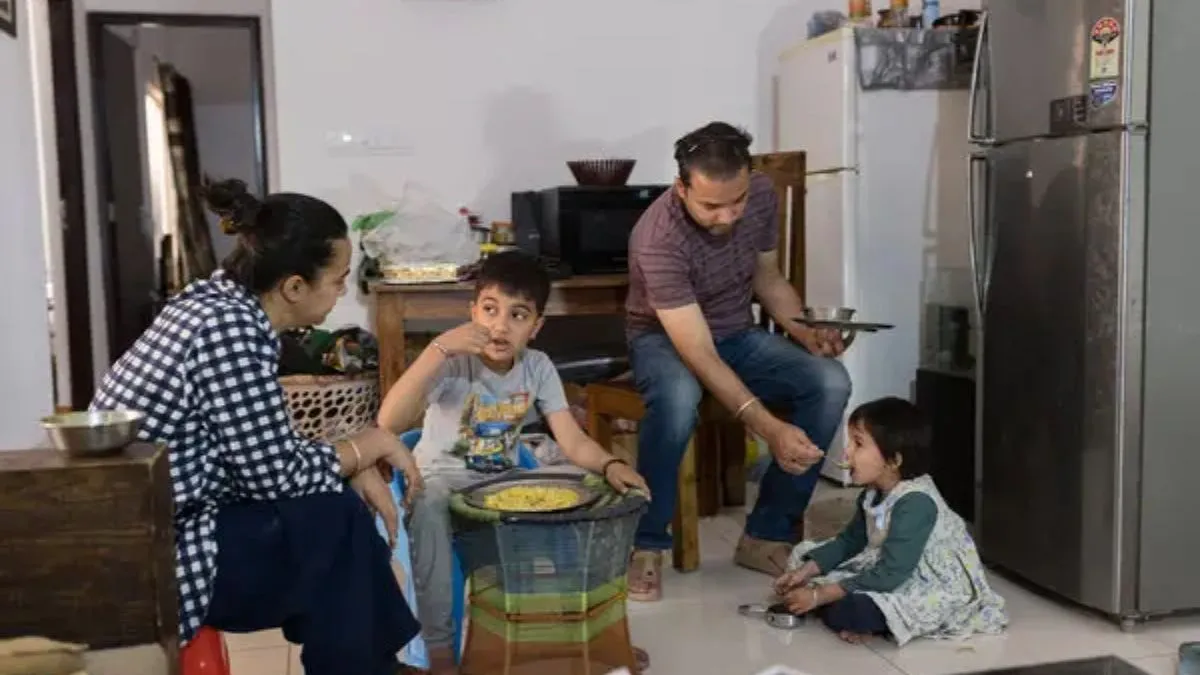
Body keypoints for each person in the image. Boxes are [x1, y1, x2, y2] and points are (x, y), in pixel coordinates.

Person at [90, 179, 422, 675]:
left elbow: (261, 451)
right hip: (162, 554)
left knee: (332, 512)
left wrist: (352, 461)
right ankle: (370, 665)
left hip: (170, 521)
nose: (341, 293)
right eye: (338, 280)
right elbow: (275, 475)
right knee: (334, 521)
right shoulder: (230, 331)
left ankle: (371, 663)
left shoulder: (213, 302)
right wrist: (367, 446)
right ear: (294, 287)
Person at [377, 250, 649, 675]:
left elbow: (571, 440)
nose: (500, 326)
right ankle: (440, 655)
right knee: (428, 506)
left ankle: (583, 635)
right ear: (473, 312)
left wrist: (612, 464)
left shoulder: (537, 367)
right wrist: (438, 349)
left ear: (536, 326)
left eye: (518, 315)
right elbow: (388, 422)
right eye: (490, 310)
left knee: (579, 497)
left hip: (497, 487)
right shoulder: (452, 362)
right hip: (440, 482)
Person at [624, 121, 852, 600]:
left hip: (736, 332)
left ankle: (766, 534)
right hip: (665, 340)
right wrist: (769, 428)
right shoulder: (656, 237)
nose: (727, 216)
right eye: (711, 206)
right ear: (681, 188)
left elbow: (767, 278)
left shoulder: (762, 194)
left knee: (830, 381)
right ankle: (645, 544)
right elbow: (698, 352)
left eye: (737, 201)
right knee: (678, 399)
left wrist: (807, 333)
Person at [772, 397, 1007, 646]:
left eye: (858, 443)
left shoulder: (915, 502)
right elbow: (849, 542)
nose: (846, 452)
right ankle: (841, 607)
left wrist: (821, 595)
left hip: (925, 582)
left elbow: (893, 572)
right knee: (802, 558)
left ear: (893, 461)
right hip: (890, 567)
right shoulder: (872, 493)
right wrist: (805, 571)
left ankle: (863, 617)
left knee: (852, 611)